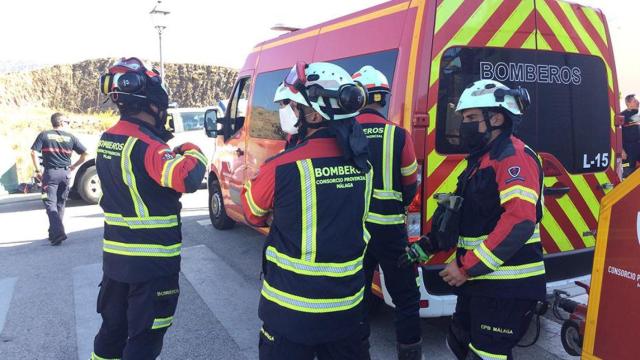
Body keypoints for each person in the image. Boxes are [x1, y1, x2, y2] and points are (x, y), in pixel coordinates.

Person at [400, 80, 545, 360]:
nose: (463, 124)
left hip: (506, 286)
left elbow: (520, 219)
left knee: (485, 355)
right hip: (480, 283)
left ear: (497, 118)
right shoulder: (481, 160)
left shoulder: (513, 157)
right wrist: (426, 246)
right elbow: (459, 214)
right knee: (458, 345)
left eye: (470, 118)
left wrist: (466, 267)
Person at [241, 61, 372, 360]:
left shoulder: (281, 166)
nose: (284, 110)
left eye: (290, 103)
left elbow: (251, 212)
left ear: (313, 113)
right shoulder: (363, 165)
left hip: (290, 312)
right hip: (347, 308)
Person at [91, 57, 206, 360]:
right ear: (151, 101)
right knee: (144, 341)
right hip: (152, 265)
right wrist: (194, 151)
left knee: (111, 333)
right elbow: (187, 177)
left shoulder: (108, 139)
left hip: (116, 261)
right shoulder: (149, 146)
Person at [351, 66, 422, 360]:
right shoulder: (399, 136)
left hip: (355, 232)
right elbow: (410, 186)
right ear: (383, 98)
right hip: (392, 232)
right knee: (406, 298)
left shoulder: (345, 135)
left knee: (356, 299)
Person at [30, 112, 88, 245]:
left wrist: (37, 170)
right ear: (61, 122)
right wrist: (73, 167)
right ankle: (54, 232)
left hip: (50, 174)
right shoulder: (71, 137)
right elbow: (86, 153)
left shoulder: (44, 135)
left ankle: (58, 233)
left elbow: (33, 152)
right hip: (66, 174)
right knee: (60, 204)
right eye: (67, 122)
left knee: (50, 204)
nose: (68, 125)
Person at [620, 94, 640, 176]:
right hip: (627, 155)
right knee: (627, 172)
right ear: (628, 103)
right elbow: (616, 134)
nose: (638, 102)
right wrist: (621, 150)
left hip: (637, 151)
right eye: (635, 101)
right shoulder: (621, 116)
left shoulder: (636, 115)